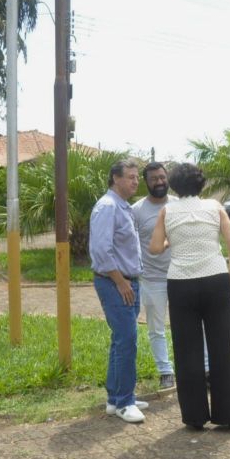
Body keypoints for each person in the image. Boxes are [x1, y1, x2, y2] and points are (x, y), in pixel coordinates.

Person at [150, 162, 230, 430]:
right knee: (221, 348)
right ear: (201, 183)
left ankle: (194, 417)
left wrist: (170, 241)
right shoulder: (215, 207)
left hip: (181, 284)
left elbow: (155, 247)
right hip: (215, 279)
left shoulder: (167, 212)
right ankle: (228, 416)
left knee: (187, 350)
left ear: (174, 185)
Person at [89, 158, 148, 424]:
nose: (136, 182)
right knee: (127, 340)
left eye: (137, 177)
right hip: (115, 282)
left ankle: (115, 399)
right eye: (131, 177)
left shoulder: (123, 206)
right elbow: (101, 250)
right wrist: (120, 281)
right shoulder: (108, 206)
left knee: (121, 339)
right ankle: (125, 402)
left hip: (128, 281)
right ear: (116, 178)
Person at [130, 162, 176, 389]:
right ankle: (165, 371)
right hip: (151, 278)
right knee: (156, 328)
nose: (159, 182)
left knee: (188, 325)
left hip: (180, 275)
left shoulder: (178, 205)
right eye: (154, 179)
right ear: (146, 182)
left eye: (162, 177)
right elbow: (131, 244)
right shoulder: (137, 210)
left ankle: (203, 368)